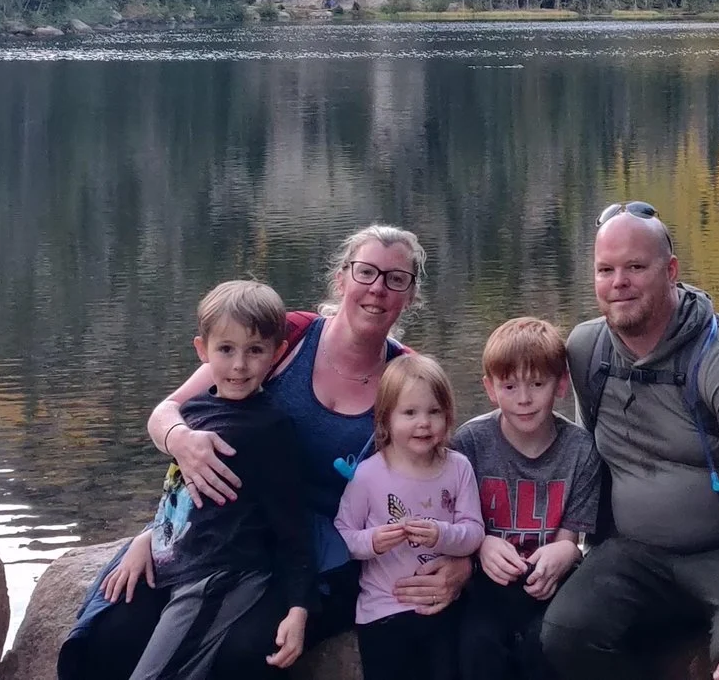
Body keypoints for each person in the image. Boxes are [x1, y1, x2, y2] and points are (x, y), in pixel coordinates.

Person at [144, 225, 472, 646]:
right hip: (229, 532)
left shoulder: (407, 376)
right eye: (366, 272)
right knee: (115, 627)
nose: (378, 289)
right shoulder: (284, 336)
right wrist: (178, 444)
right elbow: (168, 411)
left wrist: (462, 565)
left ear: (409, 296)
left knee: (250, 646)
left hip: (325, 553)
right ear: (341, 278)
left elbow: (444, 476)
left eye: (396, 280)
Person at [544, 202, 719, 680]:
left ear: (670, 271)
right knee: (562, 638)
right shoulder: (587, 351)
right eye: (605, 270)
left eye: (635, 267)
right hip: (636, 554)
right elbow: (580, 458)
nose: (618, 282)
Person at [57, 282, 313, 680]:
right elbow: (179, 496)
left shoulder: (270, 430)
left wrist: (298, 608)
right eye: (226, 349)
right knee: (101, 632)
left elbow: (292, 528)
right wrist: (147, 539)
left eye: (255, 350)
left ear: (276, 354)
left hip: (218, 577)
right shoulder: (193, 412)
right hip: (175, 559)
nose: (240, 365)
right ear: (202, 350)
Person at [452, 317, 600, 680]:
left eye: (537, 384)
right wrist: (481, 544)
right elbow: (456, 519)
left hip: (548, 581)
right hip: (487, 580)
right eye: (509, 386)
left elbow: (571, 539)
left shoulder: (581, 450)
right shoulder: (470, 443)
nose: (523, 399)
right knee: (477, 648)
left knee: (544, 646)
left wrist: (564, 553)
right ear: (490, 389)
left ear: (561, 384)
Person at [334, 353, 486, 680]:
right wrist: (372, 541)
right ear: (386, 419)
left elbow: (474, 532)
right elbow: (343, 536)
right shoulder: (368, 475)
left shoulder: (458, 467)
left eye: (434, 412)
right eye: (410, 413)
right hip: (383, 610)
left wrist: (442, 534)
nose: (423, 423)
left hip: (444, 604)